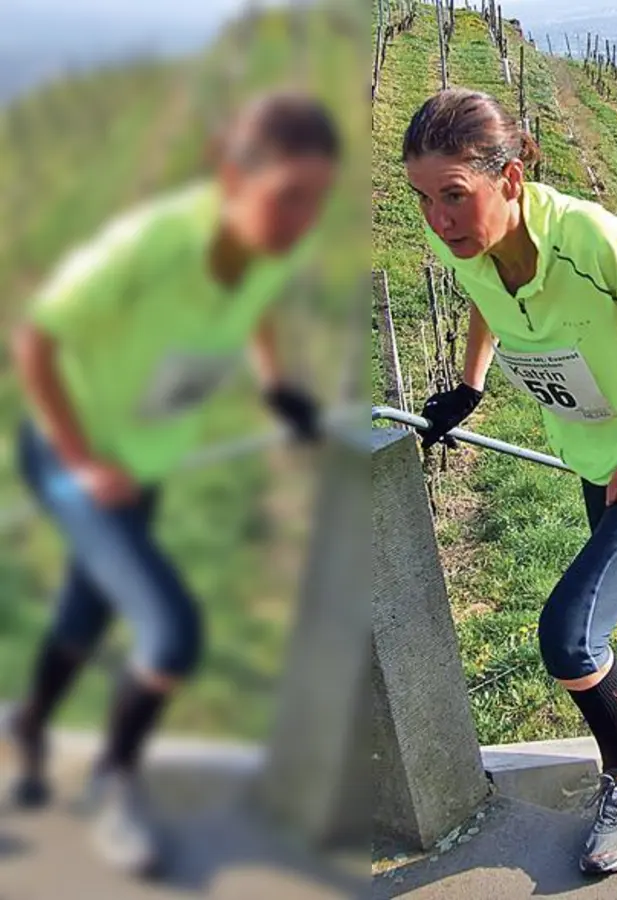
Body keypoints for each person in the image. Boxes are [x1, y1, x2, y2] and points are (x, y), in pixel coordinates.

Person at [400, 88, 617, 876]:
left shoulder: (595, 243)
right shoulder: (475, 246)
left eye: (454, 197)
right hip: (603, 463)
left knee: (569, 634)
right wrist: (471, 384)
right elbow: (486, 299)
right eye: (423, 199)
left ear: (512, 178)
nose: (439, 220)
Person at [4, 91, 338, 878]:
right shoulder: (153, 242)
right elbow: (38, 340)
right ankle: (112, 783)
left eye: (316, 200)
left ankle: (28, 726)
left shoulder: (271, 245)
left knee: (89, 605)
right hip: (72, 459)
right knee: (172, 631)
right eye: (288, 197)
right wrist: (85, 459)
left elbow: (254, 306)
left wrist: (275, 385)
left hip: (143, 466)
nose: (300, 219)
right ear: (232, 176)